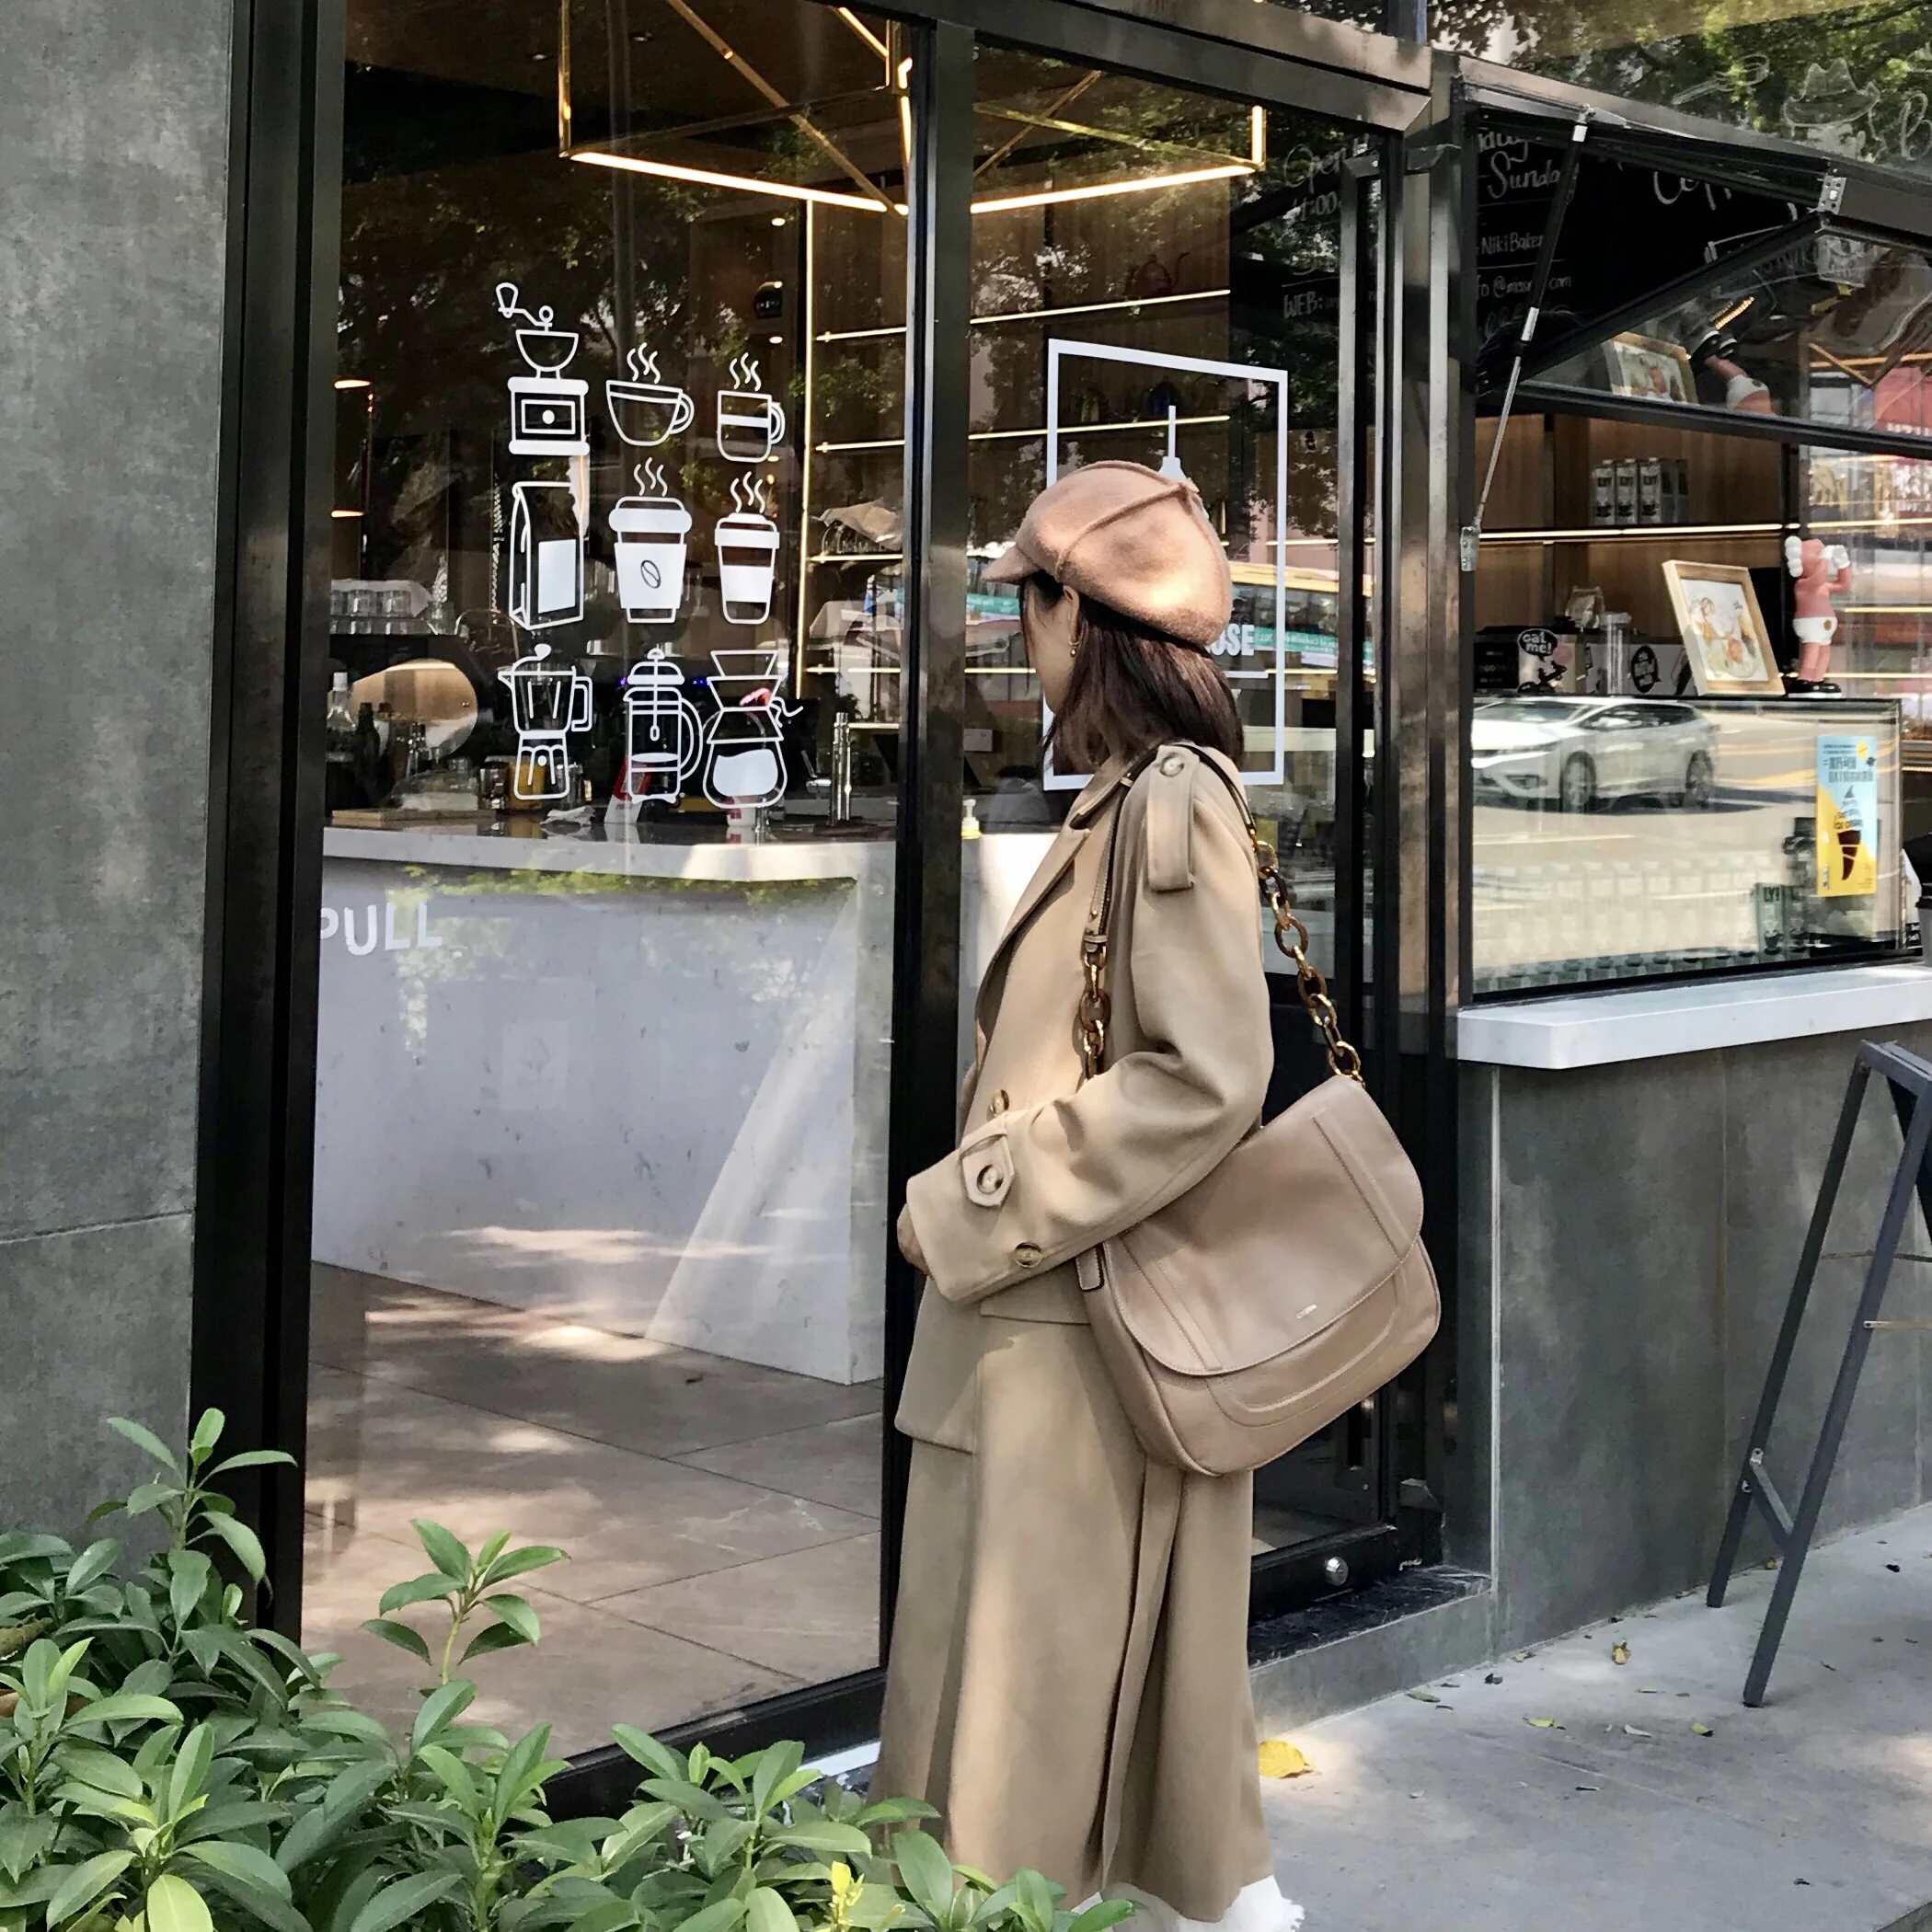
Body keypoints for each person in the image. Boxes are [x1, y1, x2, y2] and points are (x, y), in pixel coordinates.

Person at [874, 462, 1299, 1932]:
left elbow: (1202, 1077)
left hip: (1062, 1332)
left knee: (1001, 1729)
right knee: (1052, 1701)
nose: (1019, 631)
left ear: (1086, 617)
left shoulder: (1168, 802)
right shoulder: (1129, 797)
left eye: (1030, 602)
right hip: (1057, 1321)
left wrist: (972, 1200)